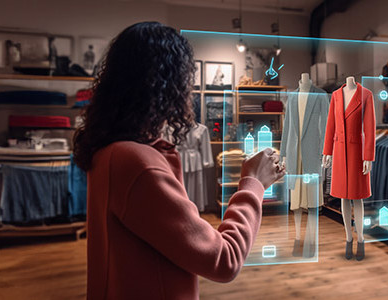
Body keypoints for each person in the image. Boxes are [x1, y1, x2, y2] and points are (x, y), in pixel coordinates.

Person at [74, 21, 285, 300]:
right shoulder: (137, 163)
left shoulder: (108, 151)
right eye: (187, 79)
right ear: (167, 85)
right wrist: (253, 183)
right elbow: (224, 259)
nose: (189, 90)